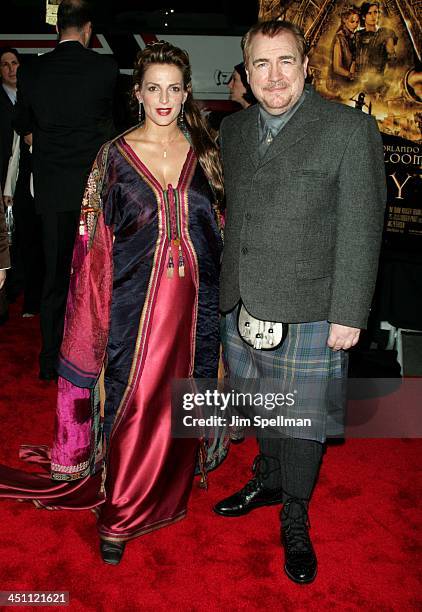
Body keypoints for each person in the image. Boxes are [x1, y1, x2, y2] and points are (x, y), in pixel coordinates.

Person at [0, 40, 224, 566]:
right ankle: (120, 513)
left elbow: (218, 231)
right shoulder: (113, 157)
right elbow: (91, 250)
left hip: (193, 309)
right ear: (138, 94)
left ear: (186, 92)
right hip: (132, 309)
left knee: (181, 400)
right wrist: (91, 322)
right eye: (153, 89)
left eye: (174, 89)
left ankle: (169, 493)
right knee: (134, 401)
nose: (164, 99)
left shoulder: (206, 154)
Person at [213, 20, 386, 584]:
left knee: (303, 421)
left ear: (306, 65)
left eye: (285, 61)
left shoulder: (347, 128)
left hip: (312, 307)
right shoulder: (233, 132)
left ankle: (294, 513)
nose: (274, 76)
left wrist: (349, 312)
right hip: (243, 303)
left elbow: (363, 227)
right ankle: (266, 475)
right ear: (246, 71)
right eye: (261, 64)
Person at [13, 0, 118, 380]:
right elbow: (113, 126)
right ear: (88, 30)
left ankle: (49, 362)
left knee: (55, 278)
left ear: (58, 29)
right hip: (91, 191)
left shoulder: (33, 70)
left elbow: (21, 120)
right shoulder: (104, 68)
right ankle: (89, 360)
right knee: (91, 278)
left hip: (52, 190)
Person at [355, 2, 397, 94]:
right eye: (369, 13)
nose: (373, 16)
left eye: (376, 12)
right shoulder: (357, 35)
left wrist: (385, 85)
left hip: (377, 86)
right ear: (363, 16)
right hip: (357, 85)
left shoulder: (385, 33)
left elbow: (392, 62)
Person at [327, 5, 360, 91]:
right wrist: (352, 75)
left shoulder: (352, 38)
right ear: (344, 21)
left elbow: (353, 60)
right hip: (336, 86)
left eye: (357, 22)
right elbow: (336, 68)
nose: (355, 25)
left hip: (346, 85)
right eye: (352, 22)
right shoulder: (339, 38)